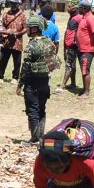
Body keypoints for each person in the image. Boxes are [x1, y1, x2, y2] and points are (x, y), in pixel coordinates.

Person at [16, 15, 56, 143]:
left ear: (34, 29)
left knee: (32, 110)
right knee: (41, 109)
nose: (26, 29)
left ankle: (34, 138)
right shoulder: (49, 42)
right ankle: (41, 136)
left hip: (32, 84)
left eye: (28, 27)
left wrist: (19, 85)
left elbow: (25, 67)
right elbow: (52, 64)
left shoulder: (31, 46)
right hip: (45, 83)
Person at [0, 0, 26, 83]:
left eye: (15, 4)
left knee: (17, 62)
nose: (13, 5)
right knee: (3, 60)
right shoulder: (6, 14)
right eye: (12, 4)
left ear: (18, 4)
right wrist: (6, 32)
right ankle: (0, 77)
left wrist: (17, 34)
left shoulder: (22, 15)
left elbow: (25, 28)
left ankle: (15, 77)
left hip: (17, 41)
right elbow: (2, 25)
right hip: (6, 41)